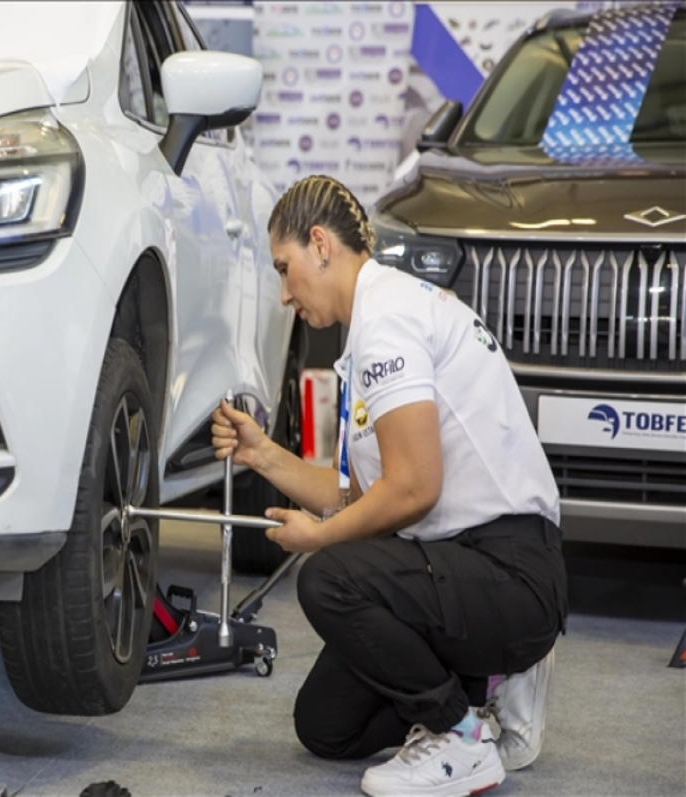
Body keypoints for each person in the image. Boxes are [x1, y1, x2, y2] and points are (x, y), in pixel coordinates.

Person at [212, 175, 566, 797]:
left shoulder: (389, 320)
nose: (283, 293)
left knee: (327, 576)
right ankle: (485, 685)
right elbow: (363, 499)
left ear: (320, 244)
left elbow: (413, 490)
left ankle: (459, 735)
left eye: (284, 268)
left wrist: (317, 539)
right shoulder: (382, 319)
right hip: (460, 566)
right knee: (325, 726)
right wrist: (262, 455)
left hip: (509, 572)